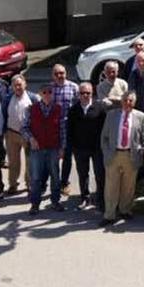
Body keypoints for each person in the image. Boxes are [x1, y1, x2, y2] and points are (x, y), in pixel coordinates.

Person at [99, 91, 144, 226]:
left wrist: (141, 150)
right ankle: (109, 215)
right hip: (114, 154)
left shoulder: (140, 116)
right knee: (111, 186)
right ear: (121, 101)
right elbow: (104, 137)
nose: (128, 103)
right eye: (125, 100)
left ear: (134, 102)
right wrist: (107, 152)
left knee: (128, 186)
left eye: (131, 100)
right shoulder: (111, 115)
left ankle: (125, 210)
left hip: (131, 155)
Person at [23, 85, 65, 215]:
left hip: (53, 148)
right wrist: (31, 139)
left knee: (55, 176)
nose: (47, 94)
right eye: (44, 92)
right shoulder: (31, 109)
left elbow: (63, 130)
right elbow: (24, 128)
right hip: (37, 149)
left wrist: (62, 148)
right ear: (40, 94)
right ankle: (35, 204)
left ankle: (55, 201)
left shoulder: (58, 109)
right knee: (35, 178)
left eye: (50, 92)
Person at [67, 82, 106, 211]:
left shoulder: (99, 108)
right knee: (83, 174)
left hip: (97, 148)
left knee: (99, 174)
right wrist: (72, 147)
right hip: (80, 148)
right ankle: (85, 198)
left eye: (87, 93)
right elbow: (69, 130)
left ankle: (101, 199)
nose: (85, 95)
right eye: (82, 93)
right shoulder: (73, 109)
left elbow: (105, 129)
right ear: (78, 94)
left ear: (92, 93)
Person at [3, 75, 37, 196]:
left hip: (27, 135)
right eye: (15, 85)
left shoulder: (33, 98)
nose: (18, 87)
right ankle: (13, 185)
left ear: (25, 84)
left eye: (20, 84)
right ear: (12, 87)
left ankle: (30, 184)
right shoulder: (7, 98)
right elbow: (3, 115)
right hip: (11, 133)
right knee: (13, 162)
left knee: (30, 162)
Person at [51, 64, 81, 197]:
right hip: (55, 128)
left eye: (62, 73)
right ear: (53, 75)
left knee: (67, 158)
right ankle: (54, 183)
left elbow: (78, 108)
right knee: (53, 158)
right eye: (57, 73)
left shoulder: (74, 87)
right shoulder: (50, 89)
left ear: (66, 73)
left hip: (69, 128)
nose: (59, 76)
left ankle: (64, 183)